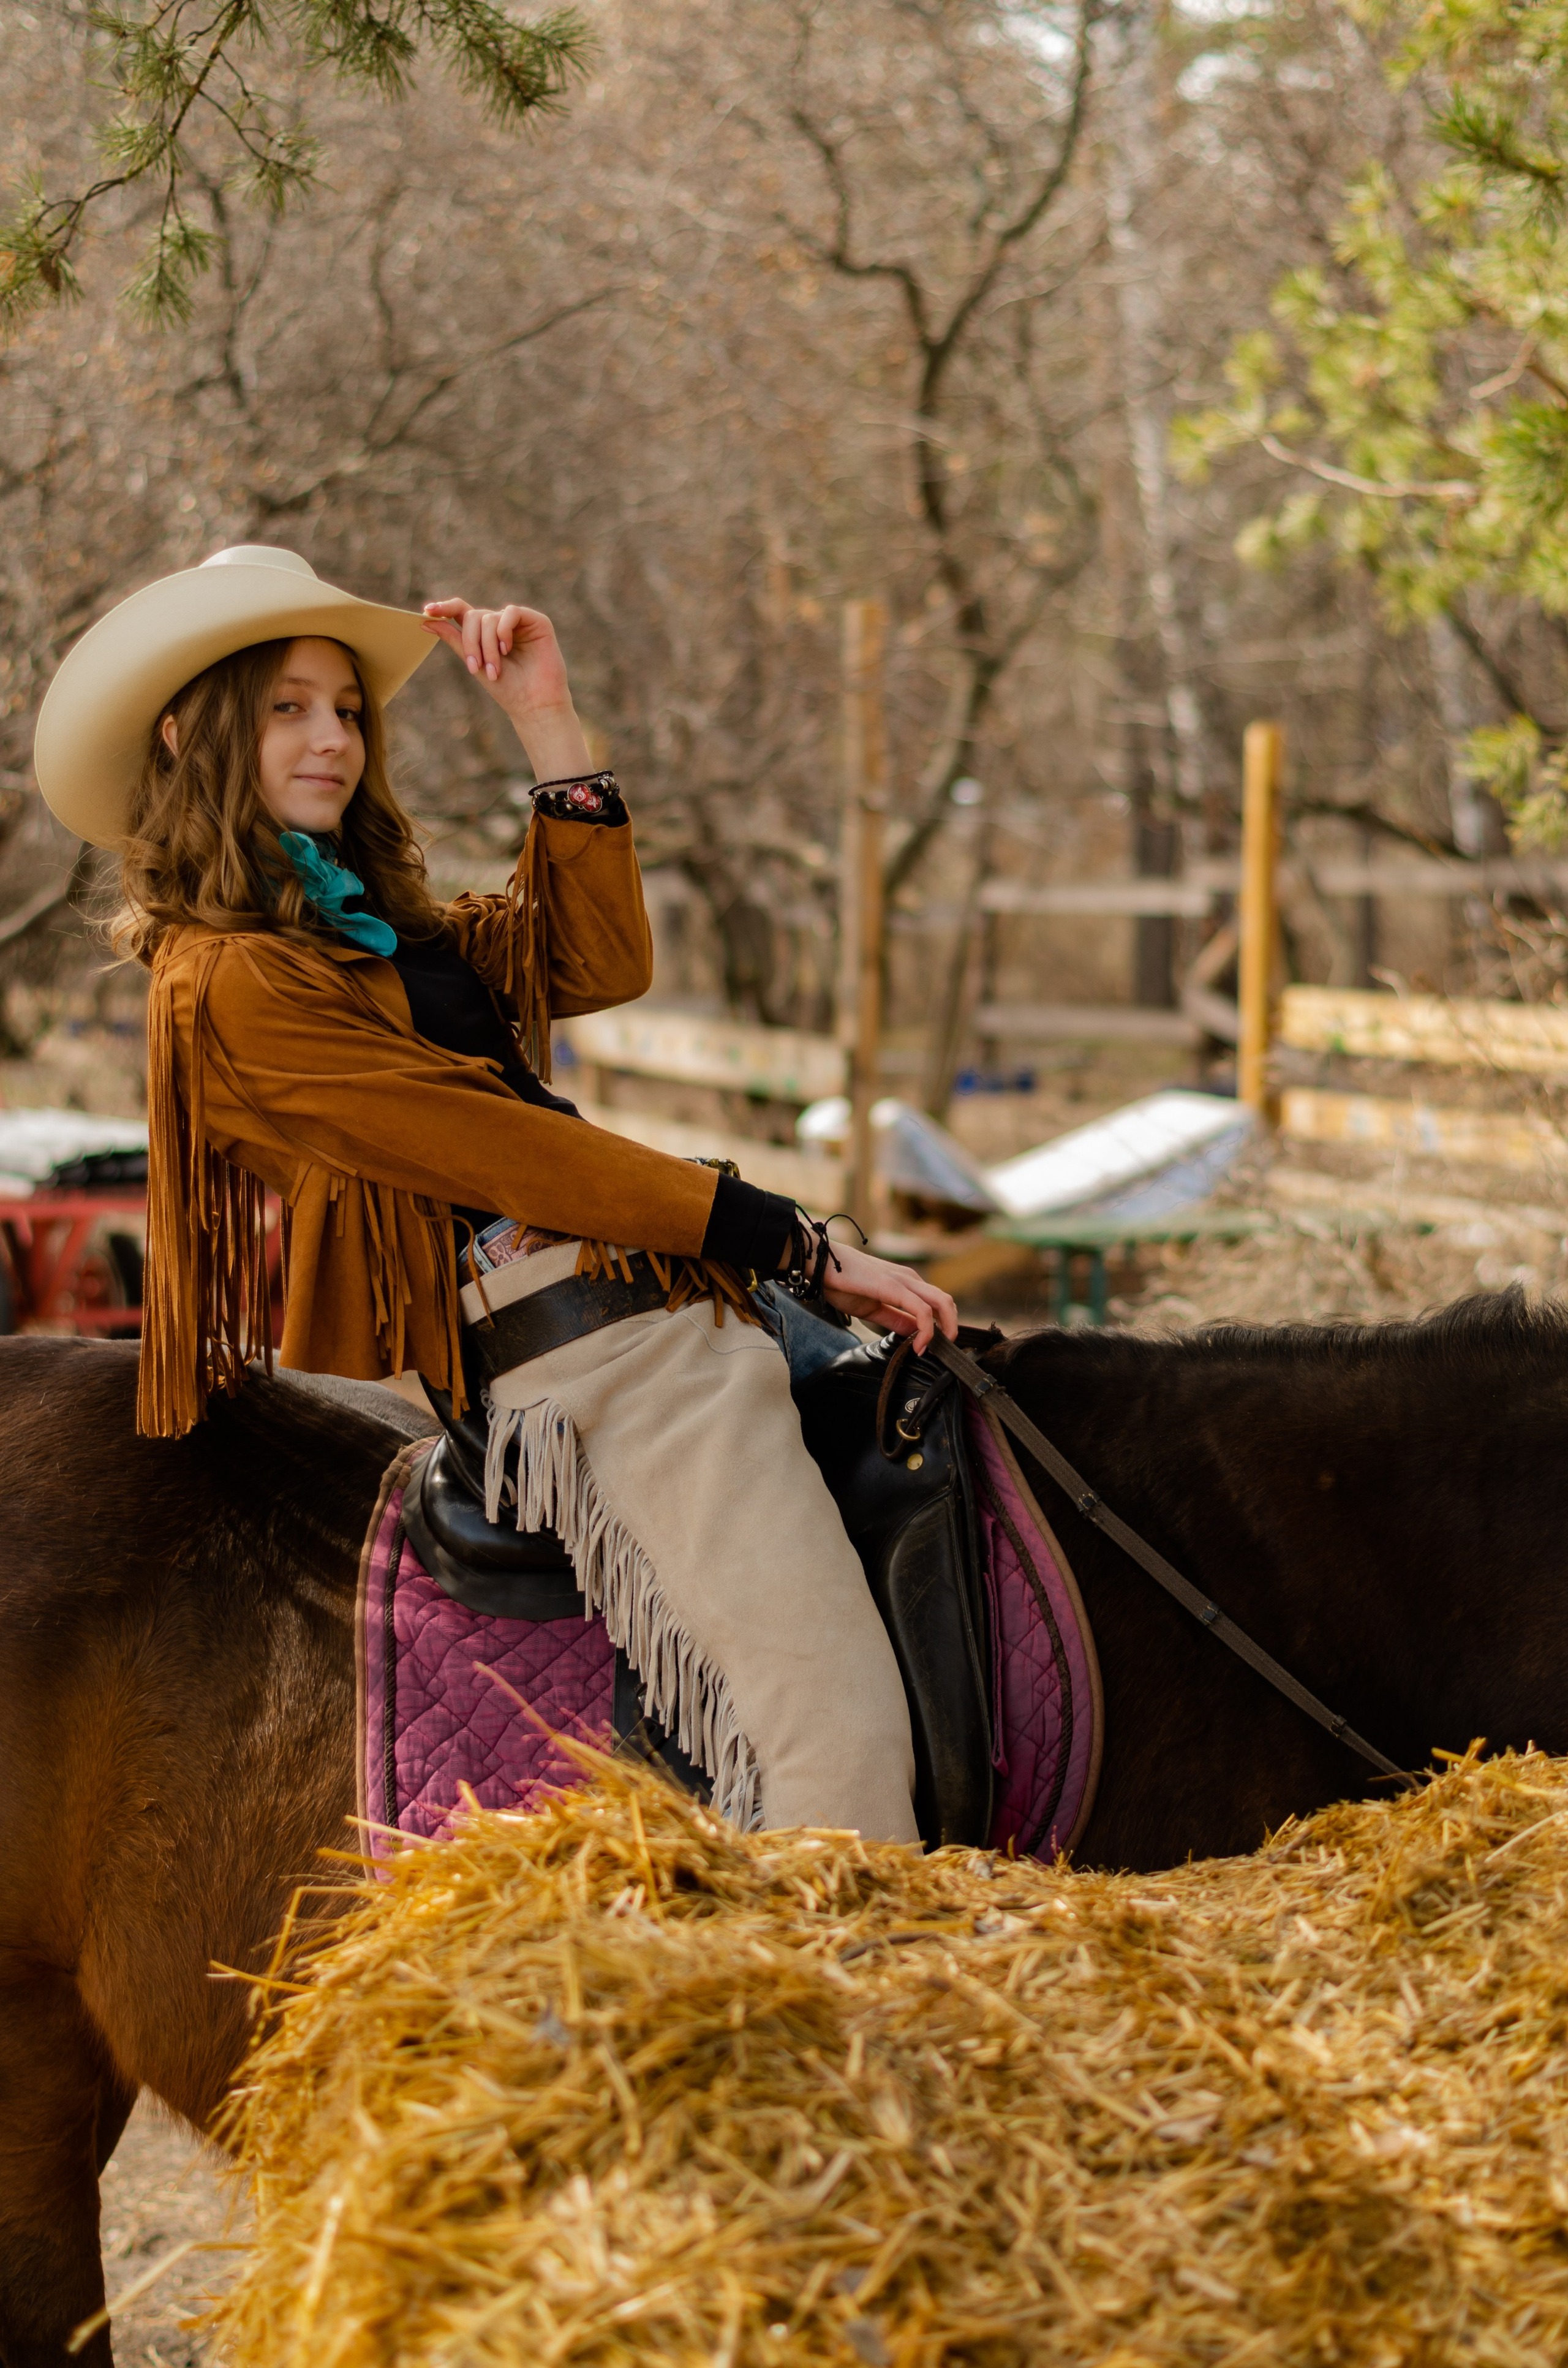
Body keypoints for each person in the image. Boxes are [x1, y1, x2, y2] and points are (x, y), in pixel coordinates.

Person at [32, 543, 958, 1842]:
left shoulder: (374, 935)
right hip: (589, 1351)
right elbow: (501, 1147)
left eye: (347, 709)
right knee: (834, 1730)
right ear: (191, 733)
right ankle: (829, 1941)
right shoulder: (231, 980)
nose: (333, 737)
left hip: (670, 1296)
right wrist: (793, 1240)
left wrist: (545, 718)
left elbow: (596, 955)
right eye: (287, 708)